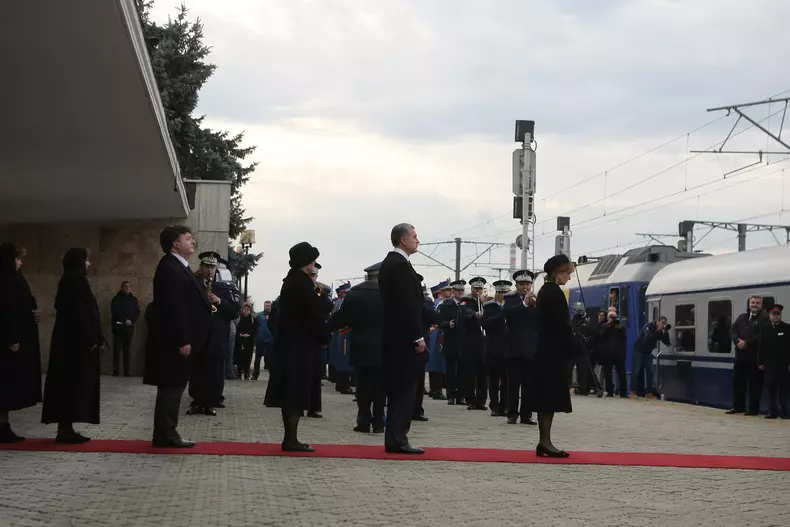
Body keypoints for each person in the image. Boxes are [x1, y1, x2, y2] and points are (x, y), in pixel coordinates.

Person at [143, 225, 212, 448]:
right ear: (175, 243)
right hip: (175, 342)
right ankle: (166, 434)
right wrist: (182, 339)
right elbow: (172, 308)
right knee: (171, 388)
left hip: (184, 339)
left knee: (174, 387)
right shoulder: (169, 268)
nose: (193, 242)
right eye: (188, 238)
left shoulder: (180, 267)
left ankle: (165, 432)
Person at [264, 242, 331, 452]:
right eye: (312, 260)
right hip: (298, 348)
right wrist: (324, 335)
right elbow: (313, 314)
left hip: (292, 346)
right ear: (305, 262)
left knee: (293, 393)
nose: (314, 264)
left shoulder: (294, 280)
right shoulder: (300, 283)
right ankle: (290, 439)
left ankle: (291, 437)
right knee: (294, 393)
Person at [41, 248, 102, 444]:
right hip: (75, 346)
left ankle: (66, 428)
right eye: (86, 260)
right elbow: (79, 314)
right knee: (71, 386)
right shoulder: (75, 282)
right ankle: (65, 430)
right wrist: (91, 338)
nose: (88, 264)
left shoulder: (71, 281)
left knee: (70, 386)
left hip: (71, 344)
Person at [378, 223, 427, 455]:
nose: (418, 240)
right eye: (414, 236)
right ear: (403, 240)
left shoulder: (397, 263)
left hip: (396, 336)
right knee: (404, 389)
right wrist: (417, 337)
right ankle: (398, 438)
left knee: (401, 389)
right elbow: (406, 305)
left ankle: (396, 437)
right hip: (402, 339)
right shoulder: (398, 265)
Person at [532, 254, 580, 458]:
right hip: (551, 353)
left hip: (547, 350)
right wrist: (575, 347)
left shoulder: (546, 291)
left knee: (547, 397)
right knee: (548, 397)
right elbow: (561, 326)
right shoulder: (554, 293)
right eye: (567, 274)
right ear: (557, 272)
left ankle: (545, 441)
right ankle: (545, 442)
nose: (568, 278)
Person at [328, 262, 386, 433]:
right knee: (380, 387)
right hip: (383, 346)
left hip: (360, 345)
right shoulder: (389, 293)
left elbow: (342, 318)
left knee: (362, 386)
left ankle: (363, 420)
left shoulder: (354, 294)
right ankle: (379, 422)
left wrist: (324, 329)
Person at [187, 252, 240, 415]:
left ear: (216, 268)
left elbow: (234, 311)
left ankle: (211, 401)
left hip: (217, 335)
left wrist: (220, 301)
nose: (209, 270)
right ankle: (196, 401)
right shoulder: (193, 284)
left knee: (214, 370)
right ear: (201, 267)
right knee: (197, 369)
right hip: (198, 333)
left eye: (212, 267)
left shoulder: (226, 287)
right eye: (206, 266)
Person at [0, 244, 42, 443]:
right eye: (17, 258)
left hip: (15, 339)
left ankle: (4, 425)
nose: (20, 262)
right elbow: (6, 311)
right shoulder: (5, 279)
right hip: (8, 343)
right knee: (5, 386)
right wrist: (12, 339)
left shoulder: (15, 278)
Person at [503, 270, 538, 425]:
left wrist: (536, 306)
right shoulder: (509, 299)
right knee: (513, 383)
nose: (525, 287)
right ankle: (512, 413)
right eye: (522, 284)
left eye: (528, 284)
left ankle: (527, 414)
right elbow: (508, 315)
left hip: (531, 348)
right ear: (516, 285)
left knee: (529, 384)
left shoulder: (536, 300)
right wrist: (524, 304)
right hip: (514, 348)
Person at [727, 296, 768, 415]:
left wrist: (747, 343)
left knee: (755, 385)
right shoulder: (742, 317)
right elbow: (732, 330)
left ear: (761, 305)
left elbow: (762, 335)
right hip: (740, 357)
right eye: (753, 303)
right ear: (749, 304)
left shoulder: (765, 318)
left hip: (755, 357)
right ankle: (738, 406)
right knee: (738, 382)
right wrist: (736, 341)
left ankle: (753, 409)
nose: (754, 305)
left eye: (757, 303)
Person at [458, 277, 488, 411]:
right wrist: (475, 313)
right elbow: (465, 312)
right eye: (476, 289)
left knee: (483, 372)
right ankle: (470, 399)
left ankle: (481, 400)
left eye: (480, 289)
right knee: (469, 371)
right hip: (469, 340)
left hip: (483, 341)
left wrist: (484, 305)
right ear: (471, 289)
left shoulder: (486, 301)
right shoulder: (466, 300)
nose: (478, 291)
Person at [482, 280, 512, 417]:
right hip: (493, 347)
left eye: (505, 292)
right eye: (500, 293)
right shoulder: (490, 307)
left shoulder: (513, 305)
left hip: (508, 347)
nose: (503, 295)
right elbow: (485, 323)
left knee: (507, 380)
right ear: (496, 293)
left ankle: (505, 406)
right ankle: (494, 405)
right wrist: (502, 315)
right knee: (493, 379)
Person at [758, 304, 790, 419]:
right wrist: (760, 362)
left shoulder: (787, 328)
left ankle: (785, 412)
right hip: (769, 366)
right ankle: (772, 412)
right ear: (769, 315)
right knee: (771, 389)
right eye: (773, 314)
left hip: (783, 365)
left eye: (778, 314)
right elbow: (761, 347)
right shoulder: (765, 329)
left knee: (784, 390)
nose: (776, 316)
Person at [439, 280, 467, 406]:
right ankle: (451, 395)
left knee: (463, 369)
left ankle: (461, 396)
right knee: (450, 370)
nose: (460, 293)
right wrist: (447, 324)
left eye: (461, 291)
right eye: (457, 291)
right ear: (453, 292)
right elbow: (439, 322)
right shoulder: (446, 304)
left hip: (463, 341)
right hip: (450, 340)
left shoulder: (467, 303)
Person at [632, 316, 671, 398]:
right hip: (639, 350)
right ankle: (633, 392)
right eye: (662, 323)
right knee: (636, 370)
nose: (663, 325)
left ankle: (648, 393)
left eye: (665, 323)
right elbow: (648, 338)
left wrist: (666, 332)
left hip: (647, 352)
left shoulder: (660, 331)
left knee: (650, 371)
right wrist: (658, 330)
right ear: (658, 321)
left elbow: (667, 343)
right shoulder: (648, 327)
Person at [110, 281, 140, 377]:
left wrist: (132, 320)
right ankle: (116, 370)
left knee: (127, 351)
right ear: (121, 287)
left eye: (129, 286)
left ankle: (127, 371)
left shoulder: (134, 299)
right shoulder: (116, 299)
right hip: (118, 328)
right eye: (125, 286)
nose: (127, 288)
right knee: (117, 350)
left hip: (129, 329)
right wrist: (124, 320)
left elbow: (137, 312)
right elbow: (115, 311)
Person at [235, 303, 258, 380]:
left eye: (248, 310)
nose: (246, 311)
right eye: (244, 309)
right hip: (239, 341)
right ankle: (238, 373)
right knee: (239, 357)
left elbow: (255, 330)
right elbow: (236, 329)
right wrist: (239, 335)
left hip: (249, 341)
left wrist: (249, 335)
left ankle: (246, 374)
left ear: (250, 311)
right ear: (242, 310)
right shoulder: (238, 318)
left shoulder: (253, 319)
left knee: (247, 358)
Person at [253, 300, 274, 379]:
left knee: (271, 359)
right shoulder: (259, 316)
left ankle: (272, 376)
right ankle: (255, 374)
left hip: (270, 340)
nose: (267, 307)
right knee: (257, 358)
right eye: (266, 306)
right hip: (260, 339)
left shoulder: (274, 315)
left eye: (269, 306)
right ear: (264, 306)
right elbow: (256, 327)